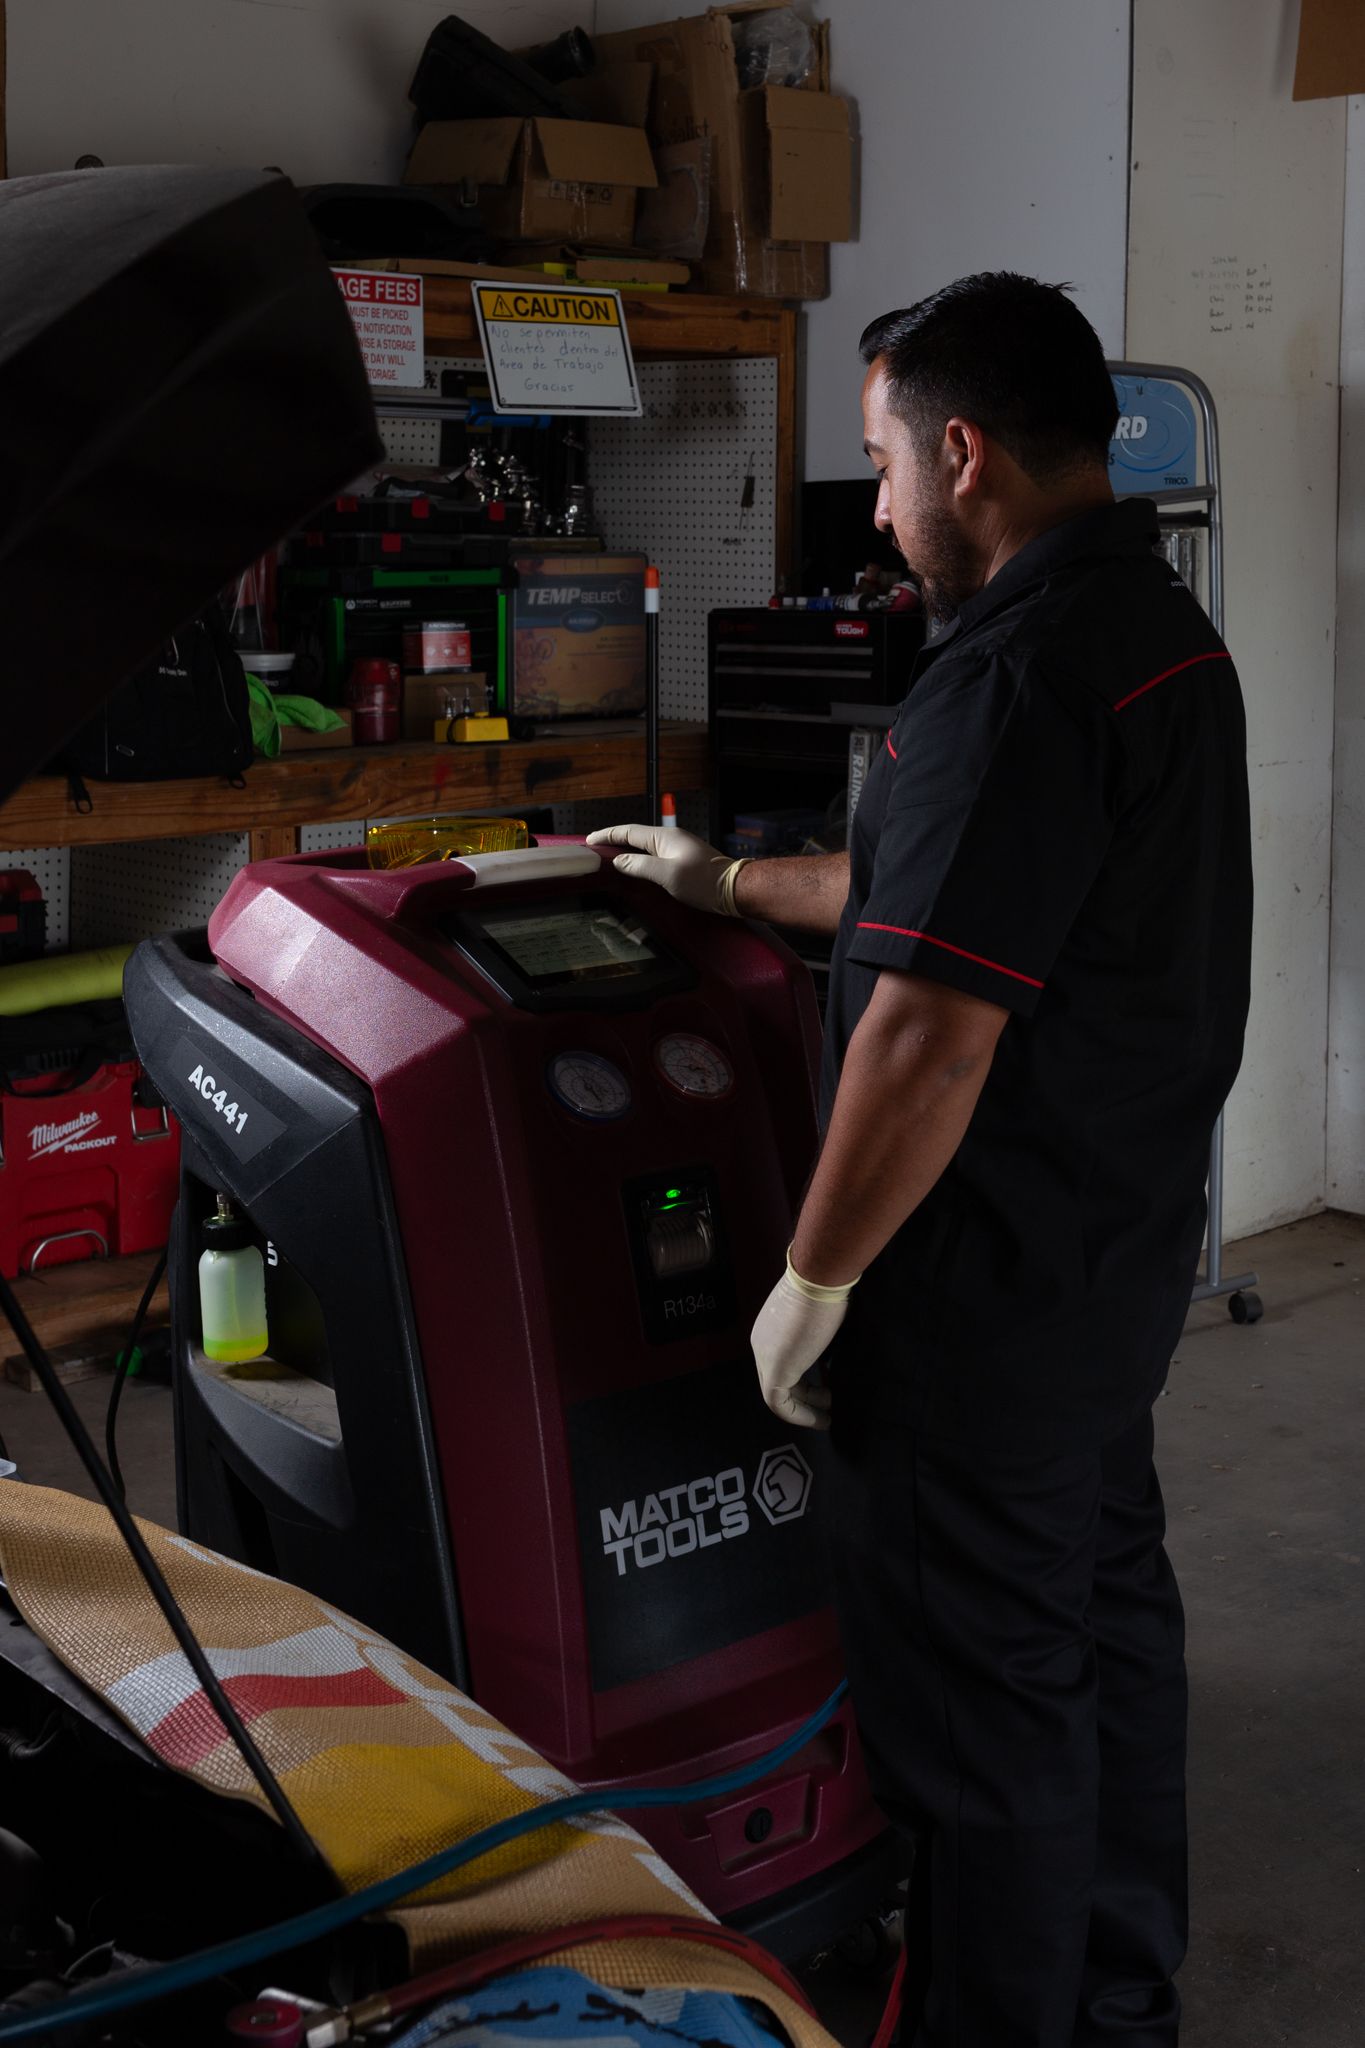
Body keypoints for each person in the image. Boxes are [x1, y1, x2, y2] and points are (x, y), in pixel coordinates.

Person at [588, 272, 1251, 2047]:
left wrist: (812, 1283)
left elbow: (931, 1027)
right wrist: (717, 881)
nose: (873, 516)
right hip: (1103, 1284)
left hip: (967, 1317)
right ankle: (1116, 2005)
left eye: (880, 466)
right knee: (1103, 1655)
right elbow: (948, 910)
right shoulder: (1159, 638)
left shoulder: (1015, 676)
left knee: (981, 1730)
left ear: (961, 456)